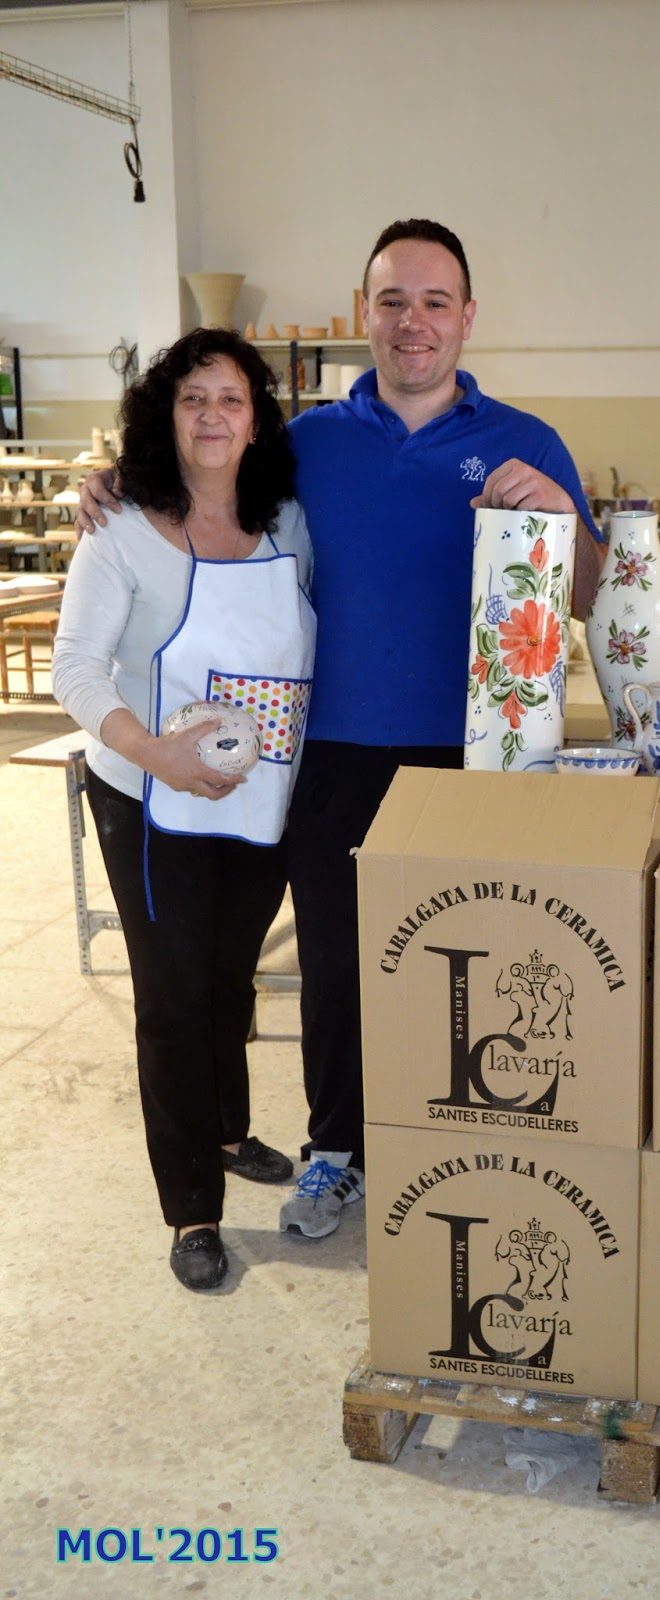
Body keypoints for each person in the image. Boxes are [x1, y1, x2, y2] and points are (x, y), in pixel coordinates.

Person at [75, 219, 605, 1243]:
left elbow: (585, 596)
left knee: (470, 958)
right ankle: (336, 1151)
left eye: (435, 301)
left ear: (467, 315)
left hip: (475, 756)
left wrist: (559, 513)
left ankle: (462, 1136)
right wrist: (116, 486)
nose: (413, 322)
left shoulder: (528, 441)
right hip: (328, 753)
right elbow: (205, 476)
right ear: (367, 313)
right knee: (336, 964)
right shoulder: (310, 443)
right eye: (392, 301)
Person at [54, 328, 316, 1291]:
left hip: (256, 798)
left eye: (231, 399)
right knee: (172, 997)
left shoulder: (287, 521)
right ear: (164, 416)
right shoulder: (121, 526)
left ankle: (229, 1130)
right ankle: (192, 1207)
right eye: (192, 398)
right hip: (147, 796)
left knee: (229, 976)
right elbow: (76, 668)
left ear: (256, 422)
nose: (212, 416)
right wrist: (153, 752)